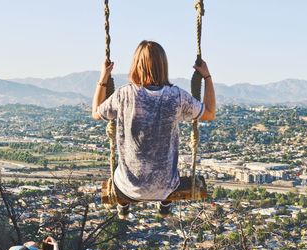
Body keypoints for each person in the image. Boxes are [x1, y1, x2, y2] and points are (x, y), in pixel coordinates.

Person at [92, 40, 216, 219]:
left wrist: (103, 78)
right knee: (166, 174)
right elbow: (209, 113)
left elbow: (96, 113)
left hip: (129, 186)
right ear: (163, 66)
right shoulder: (176, 97)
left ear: (136, 65)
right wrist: (207, 77)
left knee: (122, 180)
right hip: (165, 185)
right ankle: (165, 203)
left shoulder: (123, 94)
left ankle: (124, 203)